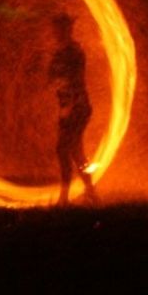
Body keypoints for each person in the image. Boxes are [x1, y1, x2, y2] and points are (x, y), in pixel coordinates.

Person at [47, 12, 97, 206]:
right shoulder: (60, 52)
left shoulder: (73, 52)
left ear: (68, 29)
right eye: (55, 28)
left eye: (60, 28)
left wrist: (70, 104)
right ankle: (90, 193)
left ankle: (65, 198)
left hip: (77, 106)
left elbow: (74, 79)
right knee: (75, 151)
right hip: (68, 106)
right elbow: (52, 78)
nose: (56, 32)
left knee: (63, 149)